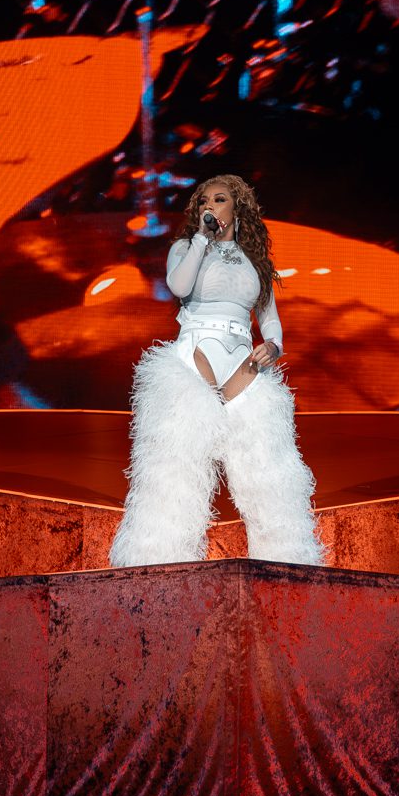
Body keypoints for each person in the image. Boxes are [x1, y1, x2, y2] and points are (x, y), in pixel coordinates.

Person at [108, 173, 326, 567]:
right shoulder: (184, 248)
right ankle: (157, 566)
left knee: (269, 474)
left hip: (243, 361)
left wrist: (273, 347)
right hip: (196, 355)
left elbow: (270, 318)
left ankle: (287, 565)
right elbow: (178, 286)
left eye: (220, 199)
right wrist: (200, 241)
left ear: (237, 208)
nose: (210, 206)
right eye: (204, 201)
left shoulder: (255, 262)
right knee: (175, 474)